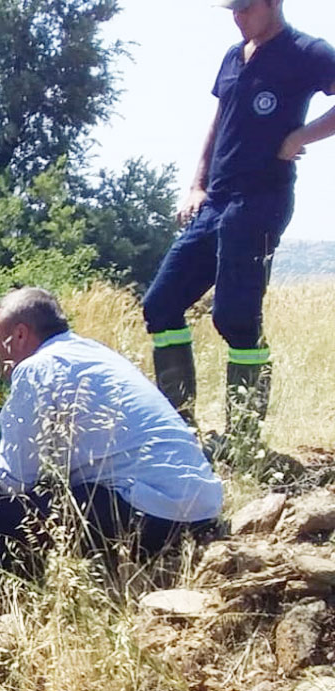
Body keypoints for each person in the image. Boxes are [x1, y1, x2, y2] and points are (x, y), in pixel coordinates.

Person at [0, 288, 223, 631]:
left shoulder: (36, 369)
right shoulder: (88, 353)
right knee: (31, 500)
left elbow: (14, 481)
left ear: (20, 334)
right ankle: (10, 609)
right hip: (196, 511)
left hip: (155, 513)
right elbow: (44, 460)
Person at [142, 0, 335, 446]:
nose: (237, 16)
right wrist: (195, 183)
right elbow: (218, 121)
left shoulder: (307, 52)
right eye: (233, 8)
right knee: (161, 304)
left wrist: (301, 137)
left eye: (246, 8)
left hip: (260, 199)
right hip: (215, 200)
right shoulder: (233, 55)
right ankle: (179, 425)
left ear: (274, 4)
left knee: (235, 317)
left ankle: (243, 440)